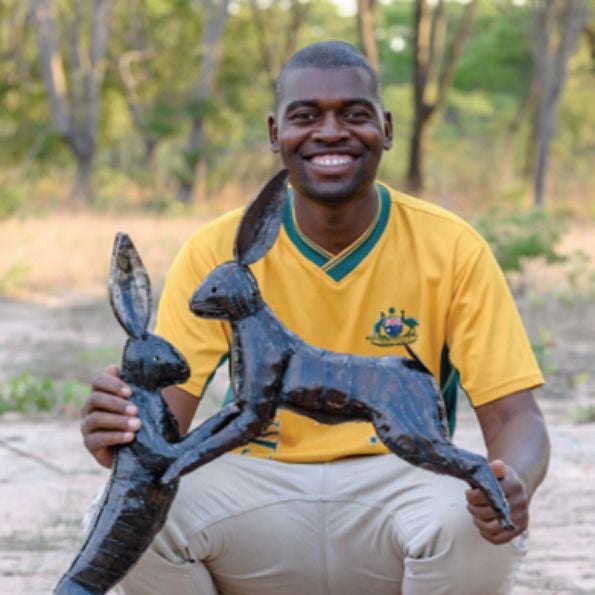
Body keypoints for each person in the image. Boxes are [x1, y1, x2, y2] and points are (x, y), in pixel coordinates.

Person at [82, 41, 550, 595]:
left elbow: (515, 419)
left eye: (354, 114)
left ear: (387, 128)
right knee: (124, 514)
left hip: (400, 494)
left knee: (471, 517)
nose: (330, 132)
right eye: (306, 117)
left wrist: (512, 477)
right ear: (275, 133)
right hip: (261, 496)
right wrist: (122, 433)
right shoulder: (219, 252)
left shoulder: (451, 246)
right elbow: (171, 419)